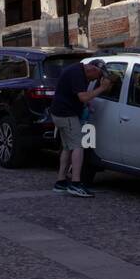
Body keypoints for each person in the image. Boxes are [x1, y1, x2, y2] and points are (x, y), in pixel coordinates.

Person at [50, 59, 115, 198]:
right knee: (78, 146)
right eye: (98, 76)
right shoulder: (77, 73)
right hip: (66, 115)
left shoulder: (79, 71)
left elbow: (78, 96)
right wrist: (102, 88)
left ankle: (61, 181)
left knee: (67, 147)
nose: (96, 79)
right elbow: (83, 97)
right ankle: (76, 183)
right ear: (92, 69)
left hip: (60, 113)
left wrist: (88, 104)